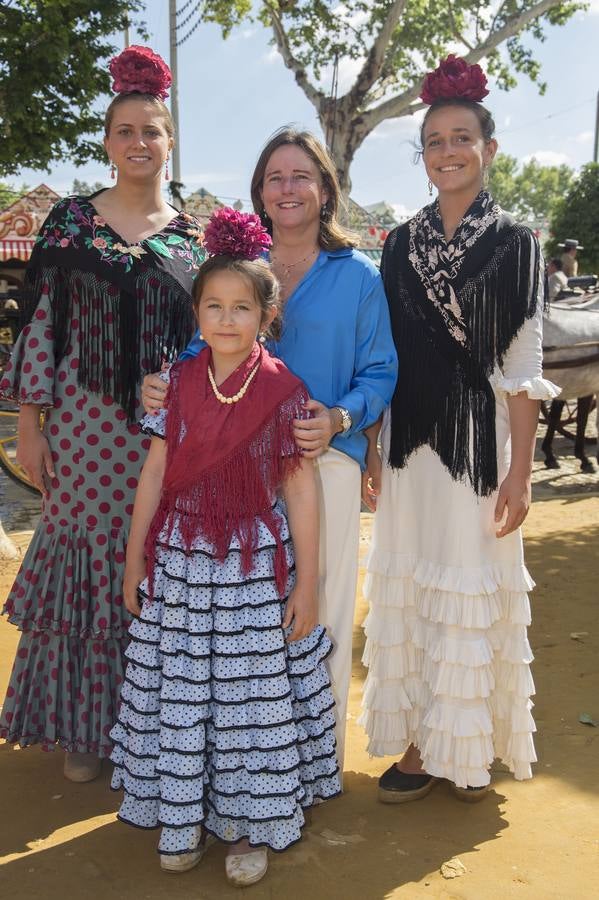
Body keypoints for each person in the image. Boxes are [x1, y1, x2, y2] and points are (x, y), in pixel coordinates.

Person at [141, 127, 398, 771]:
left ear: (325, 190)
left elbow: (381, 370)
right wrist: (163, 383)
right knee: (239, 625)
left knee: (320, 602)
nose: (288, 189)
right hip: (233, 473)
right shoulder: (238, 274)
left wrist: (340, 416)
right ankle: (236, 764)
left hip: (320, 459)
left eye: (301, 176)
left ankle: (316, 759)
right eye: (275, 178)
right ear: (259, 190)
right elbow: (208, 347)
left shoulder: (358, 276)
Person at [110, 208, 340, 887]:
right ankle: (182, 820)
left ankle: (249, 827)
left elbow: (301, 493)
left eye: (242, 306)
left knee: (247, 698)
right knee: (184, 694)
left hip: (251, 573)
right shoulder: (175, 386)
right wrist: (133, 558)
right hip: (181, 567)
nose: (227, 319)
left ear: (267, 316)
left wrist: (306, 585)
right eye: (213, 305)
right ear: (197, 313)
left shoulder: (285, 394)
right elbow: (153, 473)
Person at [0, 46, 204, 783]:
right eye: (125, 130)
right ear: (107, 142)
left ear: (169, 140)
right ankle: (83, 725)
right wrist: (30, 421)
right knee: (91, 560)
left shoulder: (193, 238)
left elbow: (209, 341)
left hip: (165, 432)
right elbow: (40, 327)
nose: (138, 143)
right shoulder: (69, 223)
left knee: (152, 559)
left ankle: (147, 722)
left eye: (151, 130)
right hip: (83, 429)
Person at [359, 55, 560, 802]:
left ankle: (464, 749)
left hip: (482, 446)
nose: (448, 151)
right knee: (410, 583)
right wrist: (374, 445)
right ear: (423, 155)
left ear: (489, 149)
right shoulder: (398, 242)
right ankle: (416, 747)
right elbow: (385, 352)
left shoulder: (515, 241)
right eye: (434, 140)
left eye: (461, 137)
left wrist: (521, 470)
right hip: (410, 440)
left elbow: (521, 360)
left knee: (472, 584)